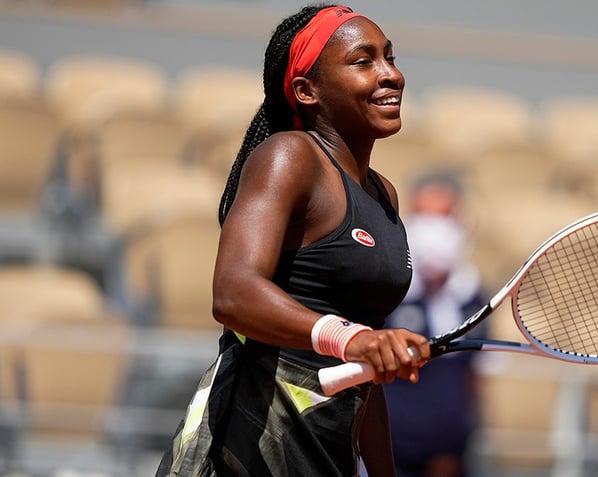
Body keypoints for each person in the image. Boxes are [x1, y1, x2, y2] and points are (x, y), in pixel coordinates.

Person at [155, 4, 431, 477]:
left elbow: (367, 377)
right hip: (244, 452)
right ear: (307, 91)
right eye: (363, 61)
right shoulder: (288, 156)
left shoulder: (384, 195)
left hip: (324, 457)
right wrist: (353, 339)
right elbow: (233, 293)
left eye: (389, 56)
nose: (390, 74)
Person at [382, 172, 488, 477]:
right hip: (389, 458)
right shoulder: (386, 293)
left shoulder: (473, 296)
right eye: (425, 219)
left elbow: (475, 380)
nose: (434, 232)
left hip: (452, 460)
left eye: (444, 218)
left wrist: (459, 443)